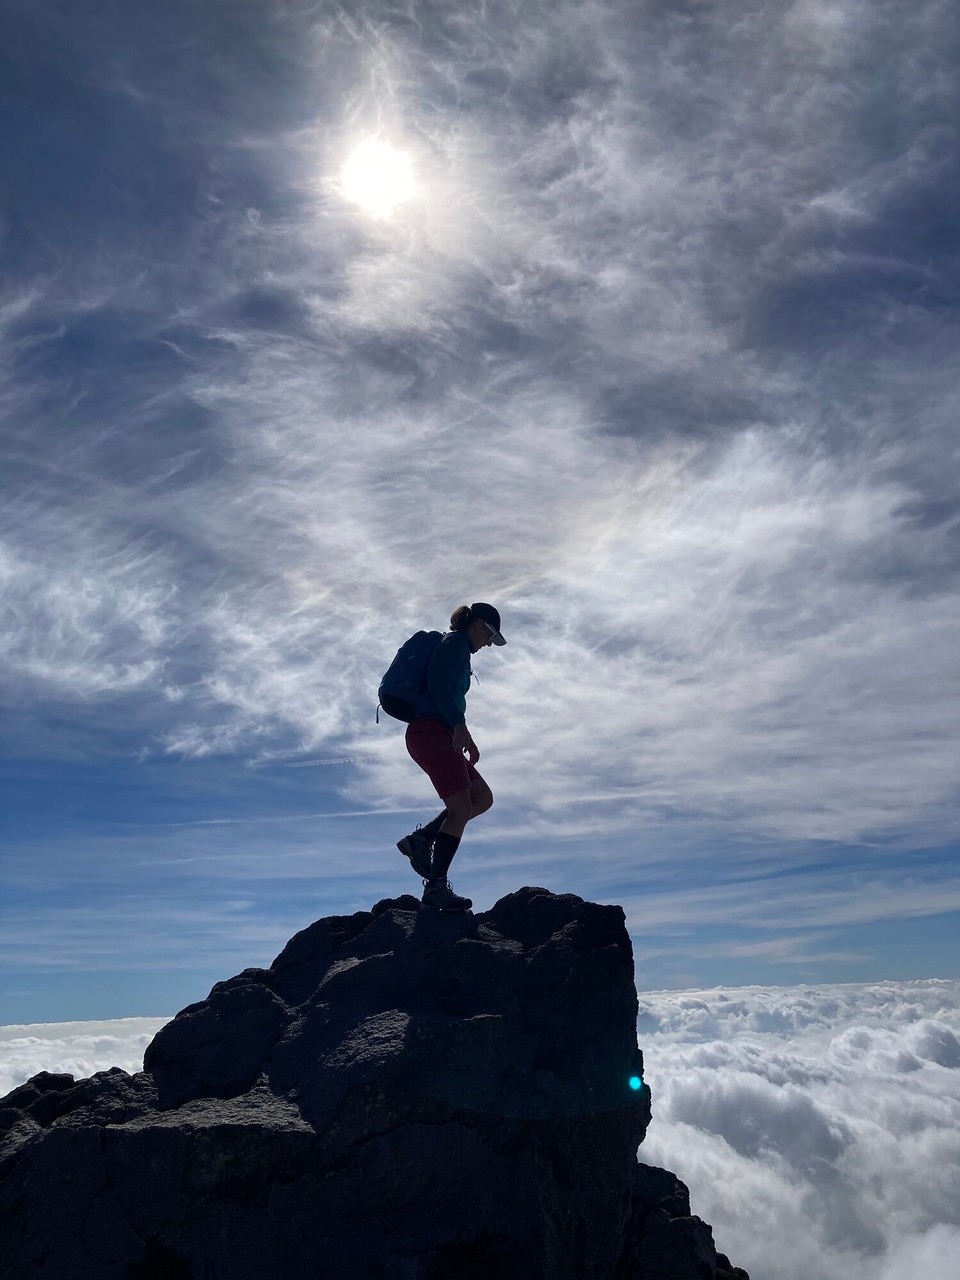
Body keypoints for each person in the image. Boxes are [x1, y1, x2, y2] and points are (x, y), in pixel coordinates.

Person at [397, 602, 506, 910]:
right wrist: (459, 727)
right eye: (490, 635)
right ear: (478, 625)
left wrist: (464, 733)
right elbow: (441, 686)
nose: (488, 644)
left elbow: (448, 694)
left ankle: (423, 840)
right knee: (459, 809)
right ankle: (435, 888)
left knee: (481, 798)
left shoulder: (458, 649)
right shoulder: (455, 644)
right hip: (430, 733)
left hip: (439, 733)